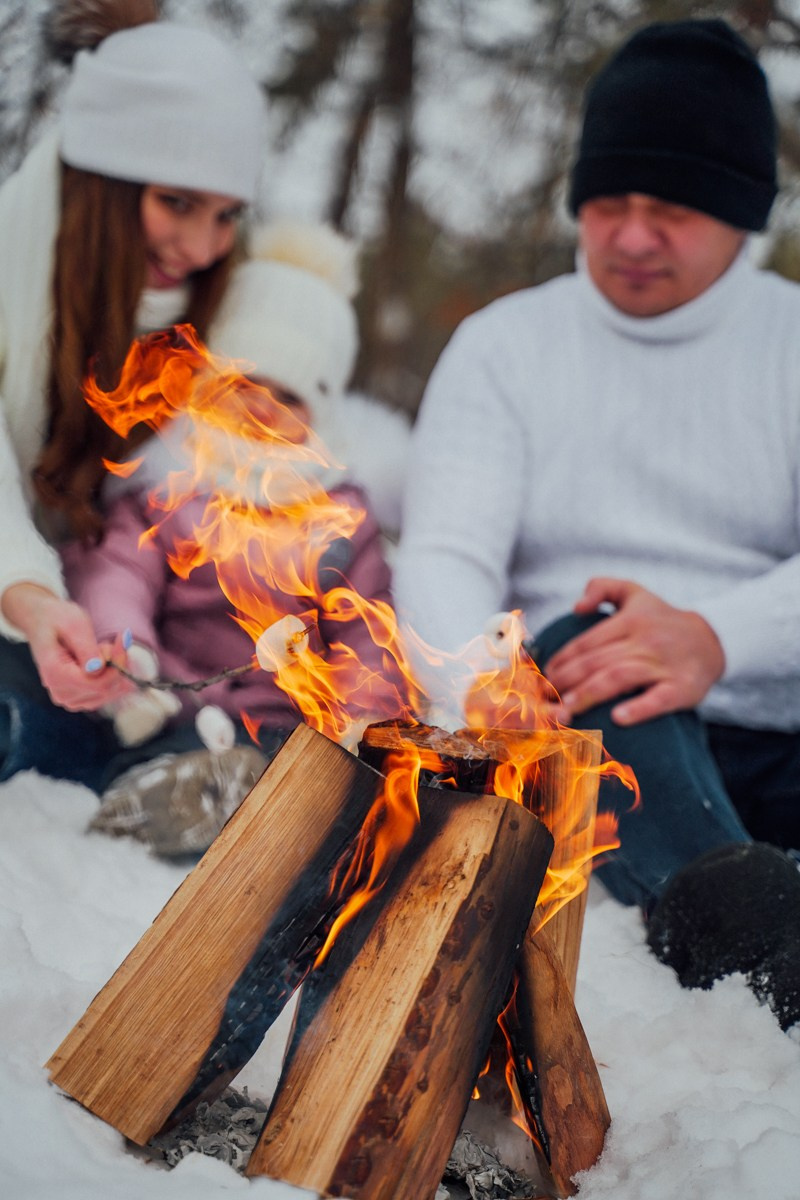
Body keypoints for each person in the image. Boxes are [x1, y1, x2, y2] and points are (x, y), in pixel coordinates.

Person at [395, 19, 800, 1028]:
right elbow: (444, 551)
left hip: (777, 719)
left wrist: (714, 636)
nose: (627, 237)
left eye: (667, 210)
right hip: (594, 733)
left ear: (741, 214)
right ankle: (731, 922)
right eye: (606, 203)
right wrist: (481, 684)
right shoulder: (504, 348)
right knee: (594, 644)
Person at [60, 221, 409, 854]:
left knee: (299, 771)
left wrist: (365, 714)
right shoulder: (168, 488)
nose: (263, 408)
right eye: (244, 385)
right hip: (173, 696)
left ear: (320, 415)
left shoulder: (339, 517)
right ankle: (167, 796)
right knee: (156, 742)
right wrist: (127, 649)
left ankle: (268, 807)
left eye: (289, 396)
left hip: (287, 717)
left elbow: (366, 631)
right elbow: (117, 574)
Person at [0, 0, 264, 791]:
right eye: (176, 202)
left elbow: (152, 520)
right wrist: (35, 603)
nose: (201, 247)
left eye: (226, 215)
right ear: (97, 185)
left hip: (82, 630)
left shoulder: (200, 326)